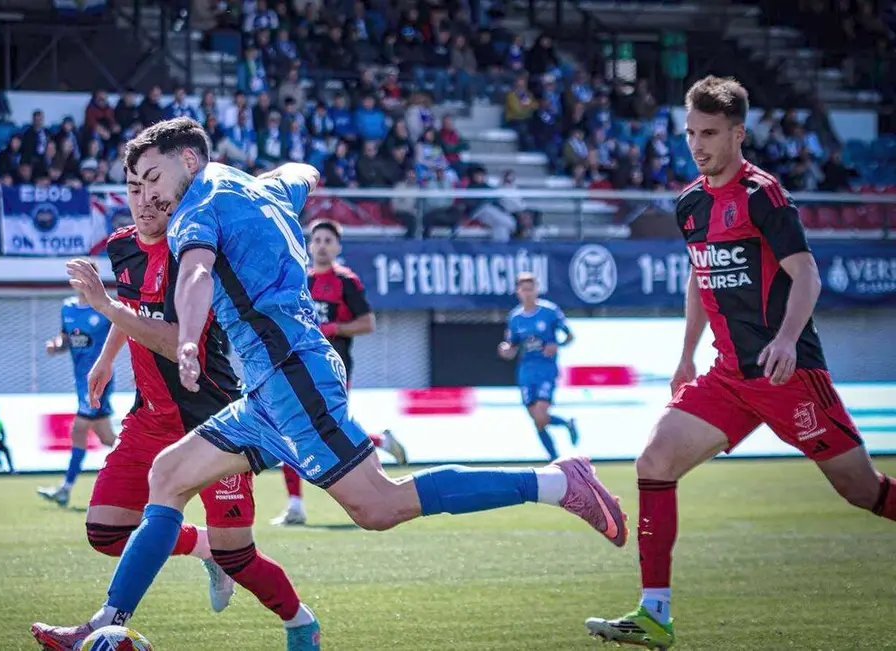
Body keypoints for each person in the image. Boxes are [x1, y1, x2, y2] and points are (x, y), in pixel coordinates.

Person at [31, 117, 628, 649]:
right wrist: (305, 171)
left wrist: (187, 337)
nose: (146, 193)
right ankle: (104, 624)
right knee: (168, 474)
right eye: (135, 182)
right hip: (268, 388)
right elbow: (299, 173)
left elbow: (195, 276)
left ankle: (555, 483)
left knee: (380, 506)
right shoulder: (257, 186)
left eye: (151, 177)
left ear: (189, 160)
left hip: (292, 376)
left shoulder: (195, 211)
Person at [584, 76, 896, 649]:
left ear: (737, 133)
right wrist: (683, 357)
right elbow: (700, 280)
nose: (697, 145)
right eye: (690, 133)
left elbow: (806, 273)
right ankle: (655, 613)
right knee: (654, 461)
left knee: (862, 491)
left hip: (789, 373)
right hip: (727, 377)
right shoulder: (690, 203)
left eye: (709, 133)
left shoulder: (764, 196)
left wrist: (784, 338)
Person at [34, 169, 318, 651]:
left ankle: (299, 622)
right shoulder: (122, 245)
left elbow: (172, 341)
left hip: (212, 419)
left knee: (240, 557)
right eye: (133, 190)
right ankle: (189, 558)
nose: (143, 201)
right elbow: (134, 307)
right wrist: (105, 360)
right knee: (104, 528)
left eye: (153, 190)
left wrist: (102, 305)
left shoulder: (196, 251)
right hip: (150, 415)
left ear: (176, 193)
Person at [274, 218, 409, 526]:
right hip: (297, 366)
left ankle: (379, 445)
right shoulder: (299, 281)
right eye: (317, 239)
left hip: (334, 368)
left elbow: (367, 323)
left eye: (327, 240)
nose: (321, 245)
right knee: (289, 429)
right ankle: (295, 505)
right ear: (309, 245)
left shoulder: (346, 281)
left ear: (337, 247)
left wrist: (334, 328)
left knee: (332, 431)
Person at [36, 295, 118, 507]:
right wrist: (56, 344)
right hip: (80, 380)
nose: (78, 280)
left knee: (78, 429)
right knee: (107, 437)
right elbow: (67, 338)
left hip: (98, 378)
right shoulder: (68, 308)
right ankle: (149, 465)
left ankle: (65, 489)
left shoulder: (105, 305)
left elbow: (125, 331)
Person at [496, 273, 579, 462]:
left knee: (541, 415)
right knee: (537, 421)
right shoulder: (515, 317)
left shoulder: (549, 312)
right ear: (518, 292)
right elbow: (512, 345)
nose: (527, 293)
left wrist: (557, 345)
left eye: (530, 289)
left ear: (536, 290)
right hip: (526, 371)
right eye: (523, 289)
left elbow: (570, 336)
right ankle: (559, 444)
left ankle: (556, 460)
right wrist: (505, 350)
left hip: (546, 370)